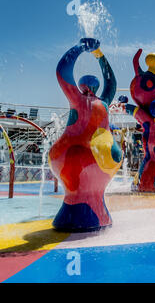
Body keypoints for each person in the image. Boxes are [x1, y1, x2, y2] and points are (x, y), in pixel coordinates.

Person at [50, 38, 122, 231]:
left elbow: (62, 72)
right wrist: (98, 54)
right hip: (103, 158)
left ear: (82, 85)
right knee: (87, 183)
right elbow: (111, 82)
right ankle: (97, 212)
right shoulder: (102, 101)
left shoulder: (77, 98)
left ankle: (78, 210)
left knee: (78, 182)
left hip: (73, 155)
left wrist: (81, 48)